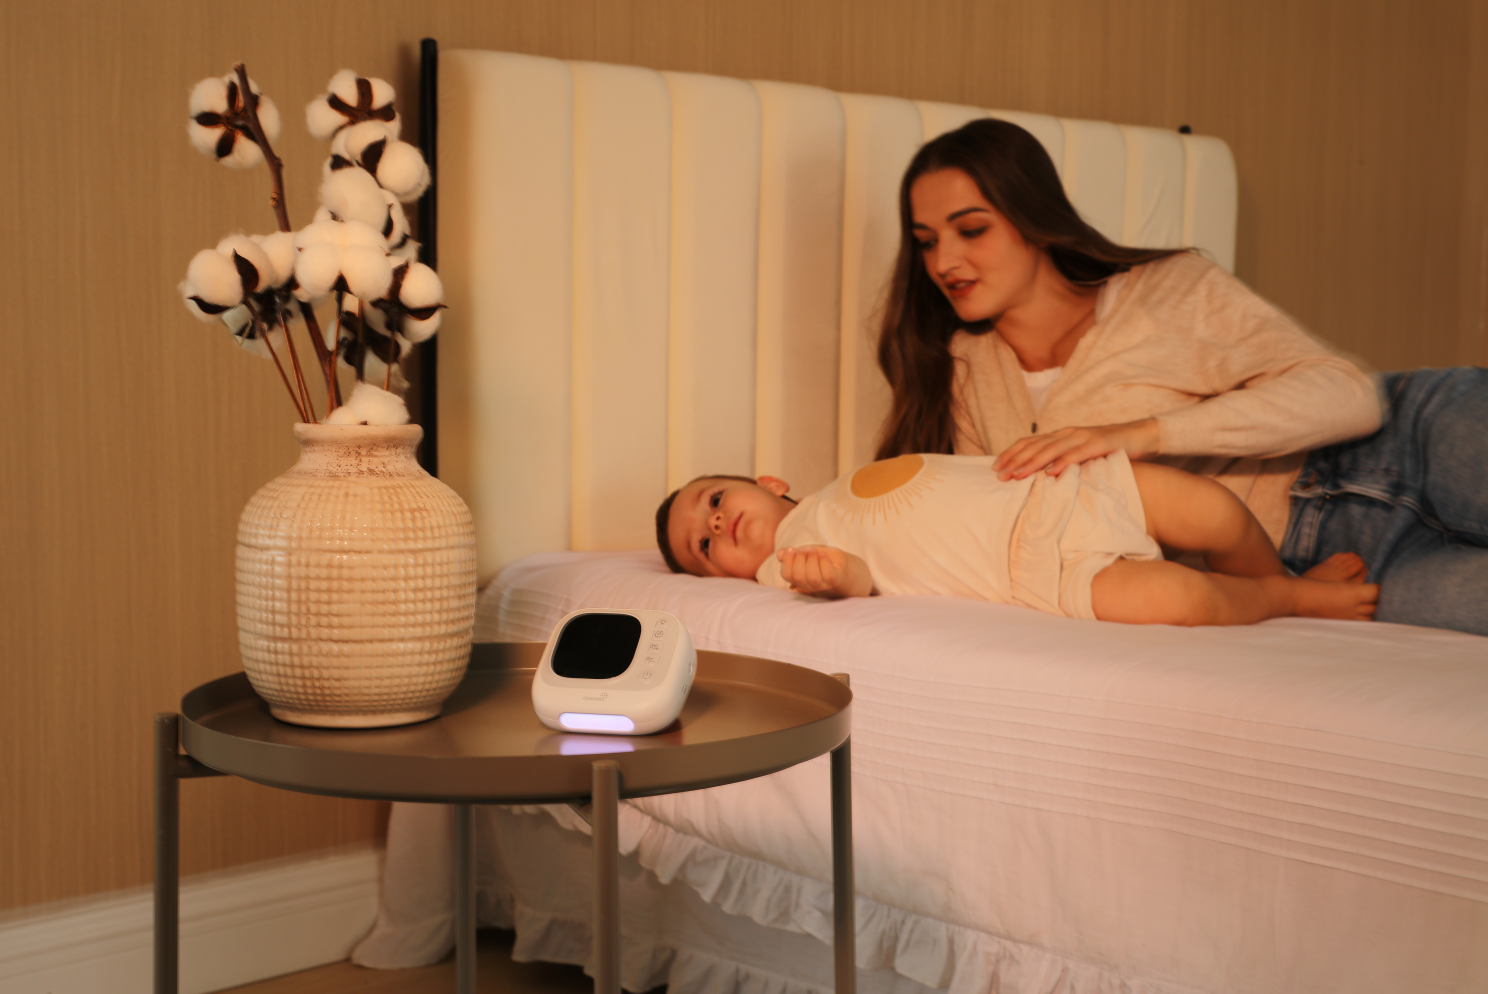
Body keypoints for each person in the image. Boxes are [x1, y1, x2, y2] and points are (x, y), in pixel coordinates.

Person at [875, 118, 1488, 635]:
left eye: (972, 230)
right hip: (1325, 556)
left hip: (1407, 438)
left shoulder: (1166, 290)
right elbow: (1025, 559)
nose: (944, 261)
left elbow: (1351, 397)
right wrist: (1279, 591)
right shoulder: (962, 377)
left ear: (1033, 217)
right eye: (926, 242)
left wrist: (1140, 434)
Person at [656, 452, 1378, 626]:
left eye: (713, 502)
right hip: (1035, 571)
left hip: (1054, 489)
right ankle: (1285, 598)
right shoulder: (786, 566)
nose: (715, 526)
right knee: (1185, 599)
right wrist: (827, 573)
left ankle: (1272, 571)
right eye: (703, 548)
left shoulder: (837, 484)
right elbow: (855, 578)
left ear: (770, 481)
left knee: (1213, 509)